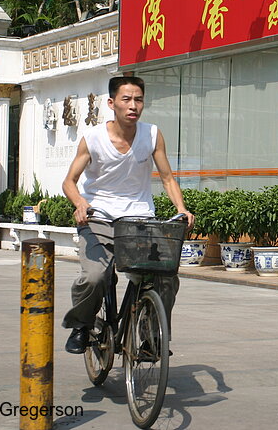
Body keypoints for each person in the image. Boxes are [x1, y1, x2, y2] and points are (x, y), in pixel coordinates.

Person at [62, 75, 194, 354]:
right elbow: (69, 182)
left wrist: (181, 209)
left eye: (138, 99)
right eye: (126, 99)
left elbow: (168, 178)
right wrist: (80, 204)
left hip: (140, 221)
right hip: (98, 218)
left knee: (166, 277)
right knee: (96, 276)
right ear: (112, 103)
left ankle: (151, 336)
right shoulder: (93, 138)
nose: (133, 105)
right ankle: (82, 325)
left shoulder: (152, 135)